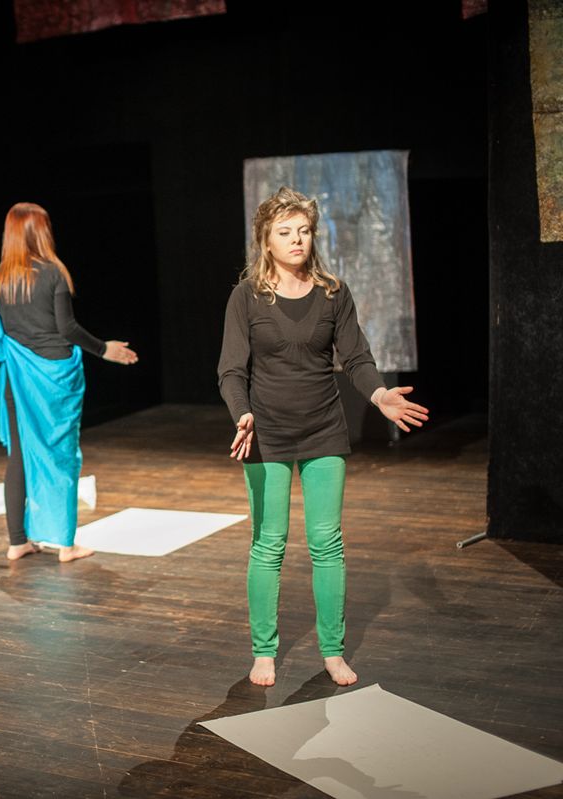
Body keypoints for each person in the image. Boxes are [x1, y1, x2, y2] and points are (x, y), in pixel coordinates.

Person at [217, 187, 428, 686]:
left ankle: (332, 651)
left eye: (304, 231)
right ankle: (263, 651)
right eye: (285, 232)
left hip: (323, 429)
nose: (297, 240)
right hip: (265, 431)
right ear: (266, 240)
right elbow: (231, 370)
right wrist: (242, 414)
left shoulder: (333, 293)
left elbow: (355, 358)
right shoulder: (246, 296)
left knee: (327, 543)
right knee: (268, 544)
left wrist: (379, 395)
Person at [0, 202, 138, 563]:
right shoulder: (53, 273)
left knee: (19, 457)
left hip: (16, 378)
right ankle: (66, 544)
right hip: (55, 378)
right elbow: (67, 328)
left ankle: (17, 541)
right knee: (61, 455)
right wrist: (104, 349)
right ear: (41, 231)